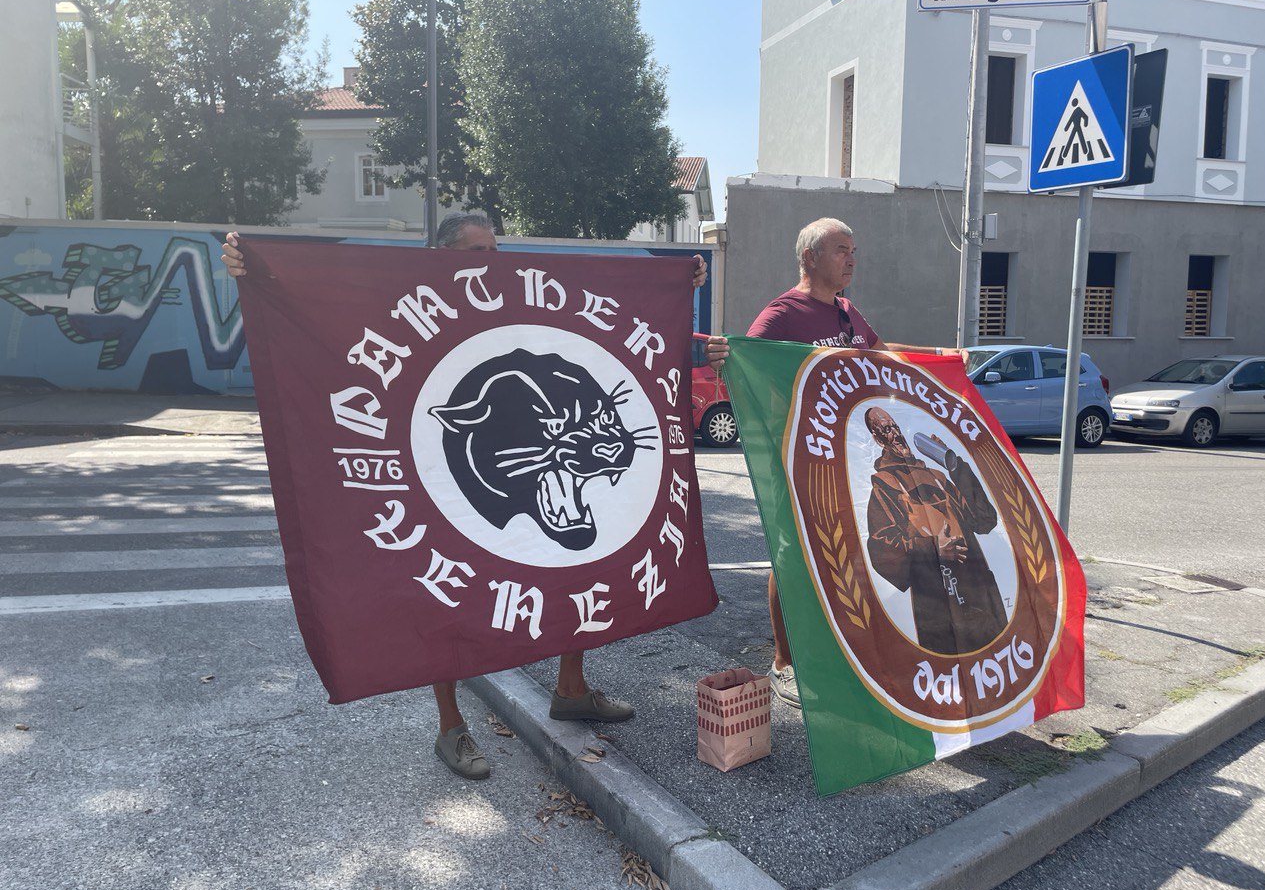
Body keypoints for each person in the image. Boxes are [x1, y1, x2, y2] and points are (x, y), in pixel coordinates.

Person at [222, 212, 726, 779]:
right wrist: (255, 266)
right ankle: (450, 726)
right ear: (440, 255)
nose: (490, 259)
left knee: (578, 571)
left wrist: (684, 289)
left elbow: (620, 334)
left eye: (494, 248)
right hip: (446, 476)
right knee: (443, 600)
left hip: (538, 470)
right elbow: (328, 312)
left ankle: (571, 688)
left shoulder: (517, 307)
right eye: (475, 250)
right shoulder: (414, 297)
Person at [742, 217, 965, 706]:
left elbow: (882, 355)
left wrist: (941, 357)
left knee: (839, 553)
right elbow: (749, 368)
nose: (852, 259)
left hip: (851, 463)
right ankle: (782, 661)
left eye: (854, 250)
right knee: (792, 555)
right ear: (810, 258)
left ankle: (834, 649)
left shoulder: (847, 313)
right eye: (841, 250)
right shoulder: (782, 315)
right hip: (800, 458)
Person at [863, 408, 1006, 655]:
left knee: (995, 662)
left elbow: (984, 520)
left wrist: (956, 466)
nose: (896, 434)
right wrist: (932, 548)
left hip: (978, 588)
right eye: (886, 430)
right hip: (936, 602)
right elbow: (881, 547)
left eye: (896, 427)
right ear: (877, 439)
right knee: (949, 675)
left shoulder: (939, 476)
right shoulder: (884, 487)